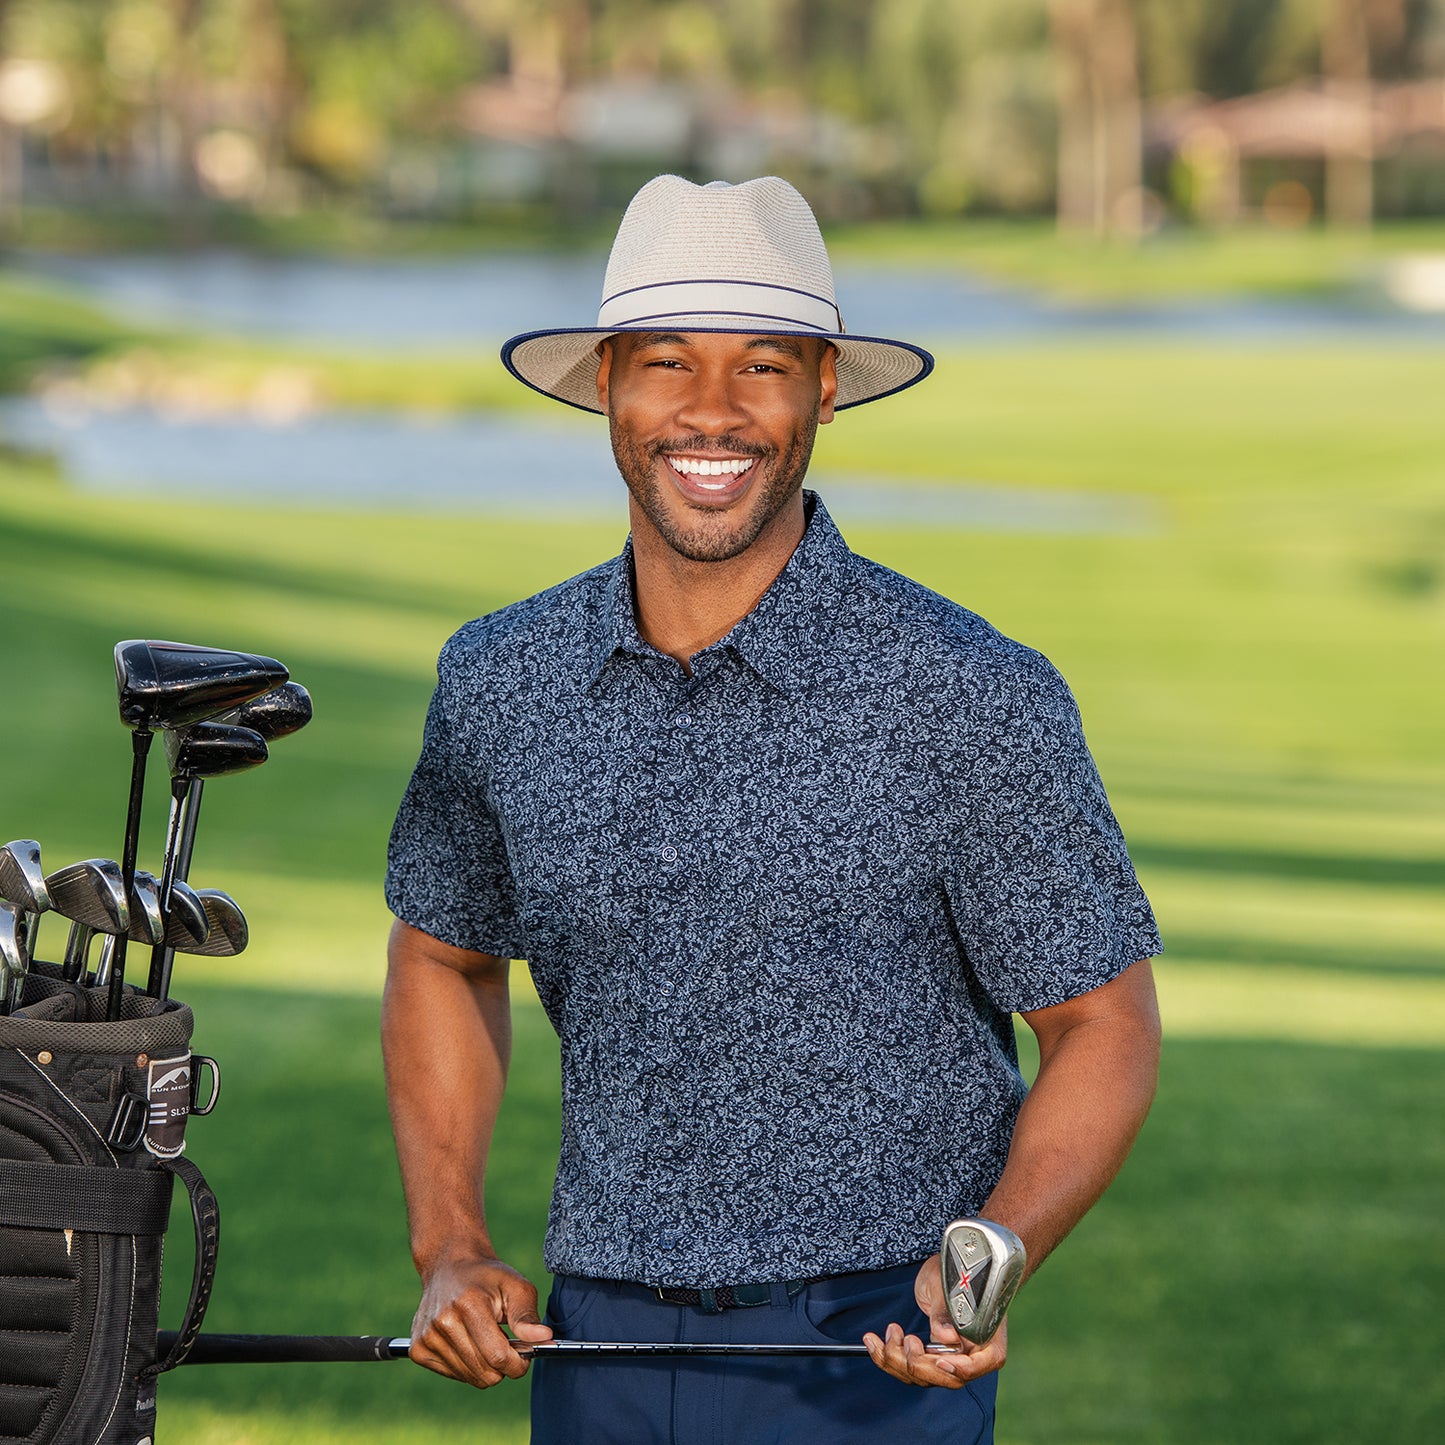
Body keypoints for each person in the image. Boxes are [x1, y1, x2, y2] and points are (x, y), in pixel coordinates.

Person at [382, 174, 1162, 1445]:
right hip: (597, 1344)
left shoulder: (971, 690)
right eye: (666, 363)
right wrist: (451, 1244)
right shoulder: (498, 677)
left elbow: (1103, 1018)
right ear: (608, 388)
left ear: (823, 388)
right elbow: (440, 952)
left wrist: (991, 1255)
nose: (711, 411)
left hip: (882, 1347)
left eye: (762, 366)